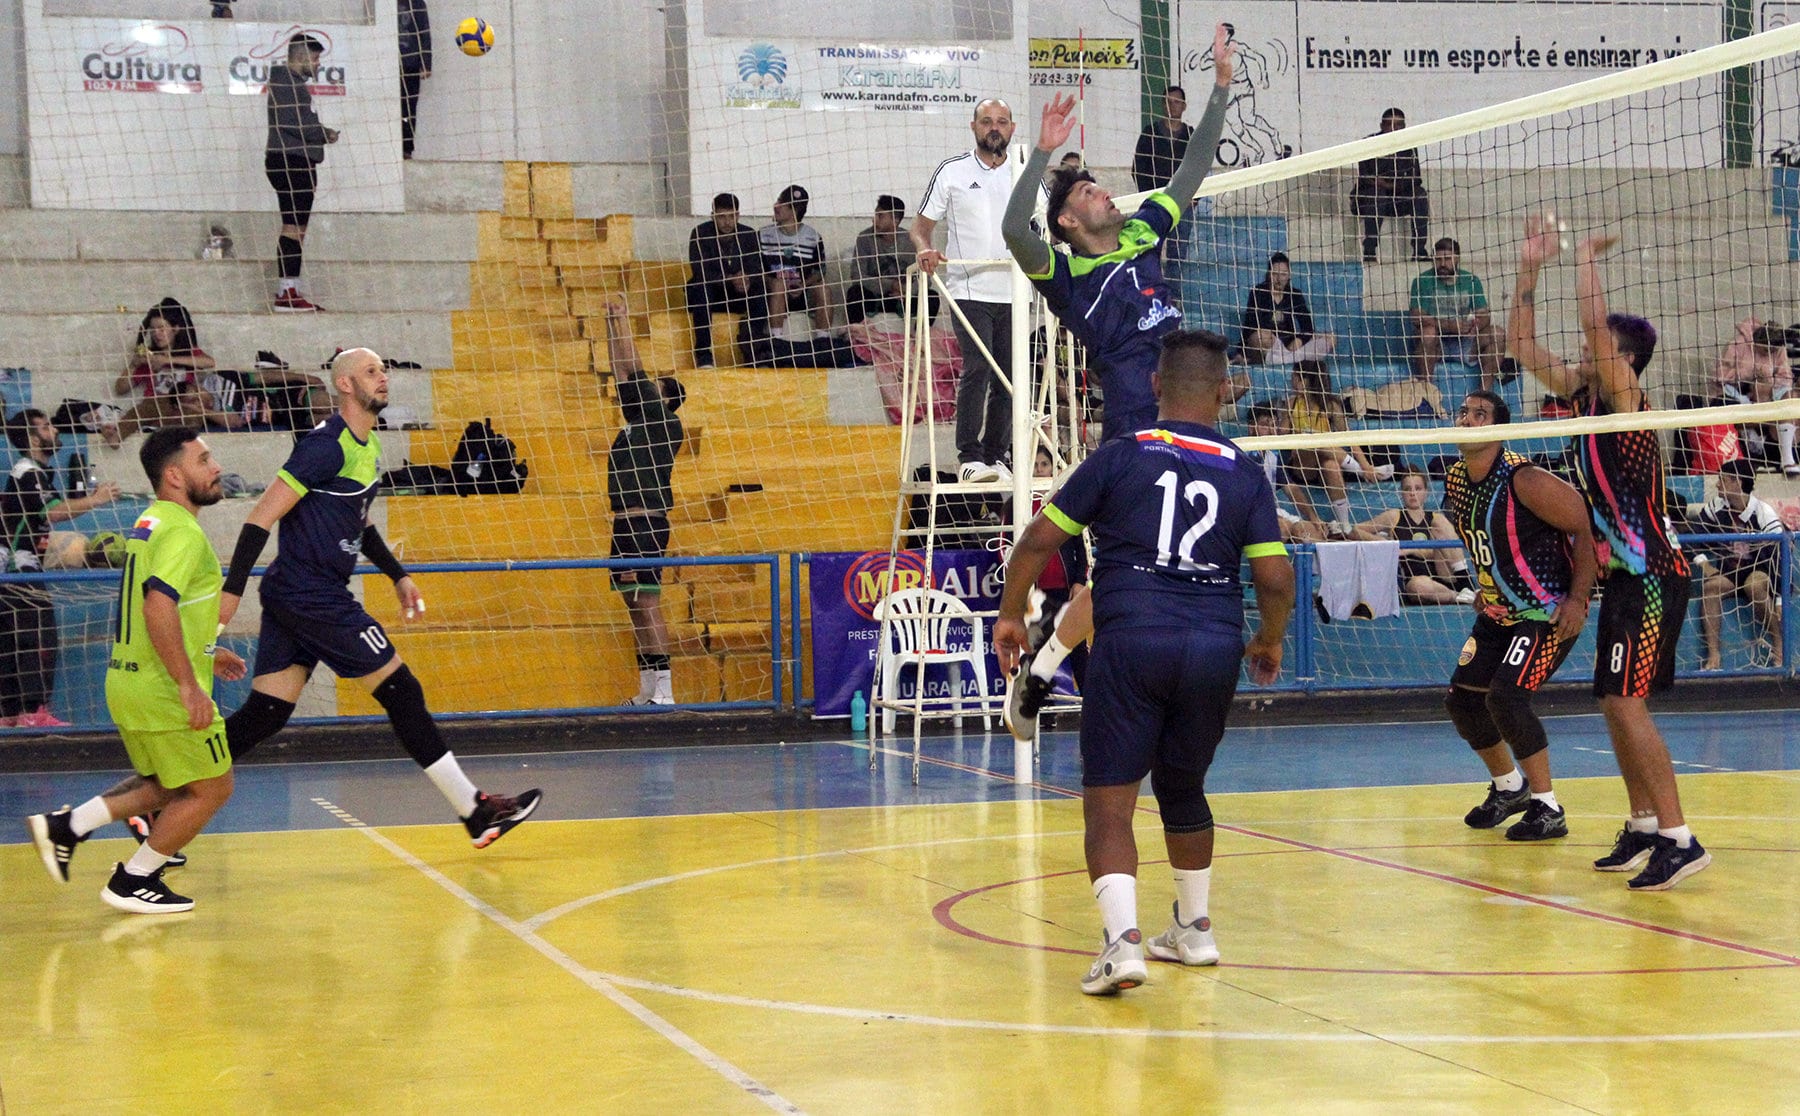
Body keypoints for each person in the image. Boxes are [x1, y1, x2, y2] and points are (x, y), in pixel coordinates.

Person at [993, 329, 1295, 994]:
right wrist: (1269, 640)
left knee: (1109, 807)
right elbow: (1275, 577)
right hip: (1214, 645)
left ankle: (1122, 944)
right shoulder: (1244, 470)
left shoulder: (1120, 455)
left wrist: (1012, 613)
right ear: (1224, 393)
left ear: (1156, 386)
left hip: (1133, 639)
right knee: (1184, 789)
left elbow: (1039, 538)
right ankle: (1195, 927)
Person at [997, 24, 1234, 737]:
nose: (1110, 195)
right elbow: (1015, 230)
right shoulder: (1068, 275)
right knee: (1125, 579)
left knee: (1144, 579)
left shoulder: (1142, 234)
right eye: (1095, 192)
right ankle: (1059, 672)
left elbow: (1189, 172)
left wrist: (1221, 89)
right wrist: (1041, 151)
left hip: (1192, 419)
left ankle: (1045, 669)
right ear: (1069, 221)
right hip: (1135, 425)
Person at [213, 348, 541, 845]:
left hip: (297, 593)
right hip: (310, 593)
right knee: (402, 690)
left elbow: (359, 526)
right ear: (345, 385)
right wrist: (231, 591)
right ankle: (474, 810)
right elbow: (261, 515)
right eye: (371, 371)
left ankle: (159, 805)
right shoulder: (324, 446)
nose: (383, 378)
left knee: (265, 715)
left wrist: (397, 575)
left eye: (384, 370)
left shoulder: (365, 447)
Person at [1508, 214, 1708, 890]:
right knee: (1610, 699)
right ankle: (1645, 823)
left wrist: (1586, 256)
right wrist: (1531, 266)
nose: (1586, 349)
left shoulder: (1627, 398)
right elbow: (1520, 343)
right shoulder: (1584, 394)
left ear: (1621, 358)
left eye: (1601, 346)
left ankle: (1679, 838)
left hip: (1653, 571)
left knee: (1626, 703)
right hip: (1627, 575)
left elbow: (1594, 332)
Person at [25, 427, 247, 912]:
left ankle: (68, 826)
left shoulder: (149, 522)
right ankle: (134, 878)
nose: (215, 468)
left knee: (170, 785)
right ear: (173, 475)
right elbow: (158, 606)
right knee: (213, 788)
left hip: (127, 681)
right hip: (163, 687)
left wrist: (209, 651)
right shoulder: (184, 532)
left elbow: (173, 608)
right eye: (204, 460)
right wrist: (189, 684)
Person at [1441, 390, 1598, 841]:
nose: (1466, 420)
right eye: (1463, 412)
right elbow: (1482, 539)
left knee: (1506, 699)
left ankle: (1548, 807)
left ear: (1500, 428)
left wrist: (1578, 600)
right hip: (1497, 611)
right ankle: (1509, 787)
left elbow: (1584, 526)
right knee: (1462, 701)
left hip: (1544, 613)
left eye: (1479, 414)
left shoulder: (1523, 478)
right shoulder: (1455, 479)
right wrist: (1485, 584)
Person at [915, 98, 1036, 485]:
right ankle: (969, 456)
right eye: (987, 121)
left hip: (1017, 291)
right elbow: (920, 228)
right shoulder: (952, 171)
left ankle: (997, 455)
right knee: (979, 367)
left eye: (1002, 121)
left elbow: (1048, 221)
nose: (994, 127)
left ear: (1013, 128)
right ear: (974, 127)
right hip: (968, 288)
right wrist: (924, 249)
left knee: (1009, 377)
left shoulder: (1024, 172)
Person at [602, 299, 686, 705]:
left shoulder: (664, 421)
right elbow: (622, 374)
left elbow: (632, 369)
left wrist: (622, 320)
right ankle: (647, 688)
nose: (647, 386)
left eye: (656, 386)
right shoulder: (636, 424)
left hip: (644, 522)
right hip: (624, 523)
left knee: (648, 600)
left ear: (665, 399)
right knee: (632, 602)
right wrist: (607, 323)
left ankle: (666, 689)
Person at [265, 34, 339, 313]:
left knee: (298, 228)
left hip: (295, 160)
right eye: (316, 58)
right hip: (291, 160)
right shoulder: (285, 82)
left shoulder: (292, 84)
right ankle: (286, 294)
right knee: (294, 229)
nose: (318, 65)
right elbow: (293, 121)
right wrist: (324, 133)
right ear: (302, 56)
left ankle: (290, 288)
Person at [1693, 456, 1783, 671]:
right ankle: (1714, 655)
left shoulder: (1764, 514)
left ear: (1738, 482)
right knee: (1710, 588)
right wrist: (1705, 565)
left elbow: (1779, 559)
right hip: (1732, 571)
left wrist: (1779, 598)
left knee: (1753, 585)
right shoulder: (1716, 506)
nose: (1717, 485)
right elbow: (1693, 538)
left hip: (1760, 571)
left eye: (1722, 480)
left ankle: (1779, 644)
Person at [1285, 360, 1393, 535]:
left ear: (1305, 380)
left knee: (1332, 465)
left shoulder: (1330, 405)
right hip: (1302, 464)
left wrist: (1366, 462)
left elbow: (1349, 438)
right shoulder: (1291, 403)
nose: (1292, 382)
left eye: (1295, 378)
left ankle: (1345, 524)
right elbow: (1282, 434)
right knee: (1313, 441)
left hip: (1325, 463)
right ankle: (1360, 470)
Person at [1352, 468, 1470, 605]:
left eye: (1418, 488)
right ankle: (1458, 596)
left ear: (1426, 492)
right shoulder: (1394, 516)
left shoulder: (1436, 519)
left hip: (1443, 574)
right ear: (1402, 493)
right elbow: (1355, 530)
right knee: (1418, 585)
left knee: (1440, 525)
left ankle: (1465, 582)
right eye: (1408, 489)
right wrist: (1384, 542)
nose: (1413, 493)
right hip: (1417, 584)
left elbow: (1442, 551)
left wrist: (1411, 549)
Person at [685, 192, 767, 367]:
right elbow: (700, 271)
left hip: (738, 293)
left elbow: (756, 267)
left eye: (731, 216)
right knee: (701, 288)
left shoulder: (749, 235)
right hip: (711, 294)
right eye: (722, 217)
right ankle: (704, 356)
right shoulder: (700, 233)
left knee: (760, 290)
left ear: (738, 215)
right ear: (713, 215)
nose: (727, 222)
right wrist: (731, 279)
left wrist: (747, 279)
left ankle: (756, 352)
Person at [1410, 238, 1503, 387]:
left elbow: (1483, 314)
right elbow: (1416, 317)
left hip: (1465, 343)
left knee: (1497, 333)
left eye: (1447, 259)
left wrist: (1475, 326)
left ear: (1457, 258)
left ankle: (1484, 394)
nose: (1442, 264)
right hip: (1436, 344)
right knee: (1427, 333)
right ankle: (1426, 391)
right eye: (1438, 259)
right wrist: (1449, 326)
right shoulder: (1422, 281)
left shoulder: (1471, 280)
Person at [1710, 318, 1794, 474]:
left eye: (1772, 351)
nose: (1768, 354)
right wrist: (1748, 374)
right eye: (1764, 350)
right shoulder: (1739, 344)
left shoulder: (1778, 349)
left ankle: (1786, 458)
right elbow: (1718, 376)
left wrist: (1769, 382)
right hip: (1735, 393)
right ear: (1756, 342)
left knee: (1789, 401)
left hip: (1767, 396)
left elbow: (1785, 377)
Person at [1351, 107, 1428, 263]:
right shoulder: (1368, 143)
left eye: (1399, 125)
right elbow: (1367, 177)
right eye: (1390, 125)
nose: (1395, 129)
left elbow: (1414, 179)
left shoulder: (1409, 147)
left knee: (1419, 194)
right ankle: (1370, 250)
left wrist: (1388, 185)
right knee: (1376, 194)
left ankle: (1419, 250)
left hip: (1398, 199)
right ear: (1381, 126)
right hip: (1370, 200)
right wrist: (1391, 185)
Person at [759, 185, 831, 339]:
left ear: (794, 211)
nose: (775, 206)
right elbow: (757, 270)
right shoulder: (763, 235)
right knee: (779, 285)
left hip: (801, 293)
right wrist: (775, 282)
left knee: (823, 289)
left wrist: (803, 285)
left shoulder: (813, 237)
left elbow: (821, 271)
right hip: (772, 292)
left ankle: (823, 342)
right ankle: (776, 341)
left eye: (781, 203)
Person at [845, 195, 930, 324]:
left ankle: (920, 338)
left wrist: (908, 291)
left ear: (895, 220)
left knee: (932, 297)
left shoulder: (911, 241)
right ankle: (856, 337)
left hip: (903, 297)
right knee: (854, 293)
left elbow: (925, 277)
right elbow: (857, 275)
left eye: (880, 216)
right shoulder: (865, 238)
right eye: (875, 215)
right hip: (877, 295)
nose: (874, 220)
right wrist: (890, 285)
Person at [1239, 252, 1335, 366]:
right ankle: (1294, 359)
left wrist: (1299, 340)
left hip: (1288, 347)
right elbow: (1249, 327)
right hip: (1267, 345)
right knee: (1260, 336)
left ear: (1289, 275)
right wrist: (1240, 352)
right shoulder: (1258, 293)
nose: (1279, 279)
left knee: (1331, 338)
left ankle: (1286, 359)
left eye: (1283, 274)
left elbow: (1308, 327)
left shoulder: (1294, 294)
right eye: (1275, 274)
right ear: (1269, 274)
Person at [1132, 85, 1191, 194]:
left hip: (1184, 203)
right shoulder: (1150, 133)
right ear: (1163, 105)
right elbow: (1138, 169)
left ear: (1184, 106)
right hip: (1156, 201)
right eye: (1168, 102)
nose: (1172, 106)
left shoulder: (1191, 135)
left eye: (1176, 102)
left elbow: (1199, 169)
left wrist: (1194, 197)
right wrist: (1149, 196)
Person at [399, 0, 431, 160]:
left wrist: (426, 62)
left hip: (409, 63)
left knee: (408, 108)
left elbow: (424, 32)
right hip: (387, 62)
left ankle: (406, 148)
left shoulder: (417, 3)